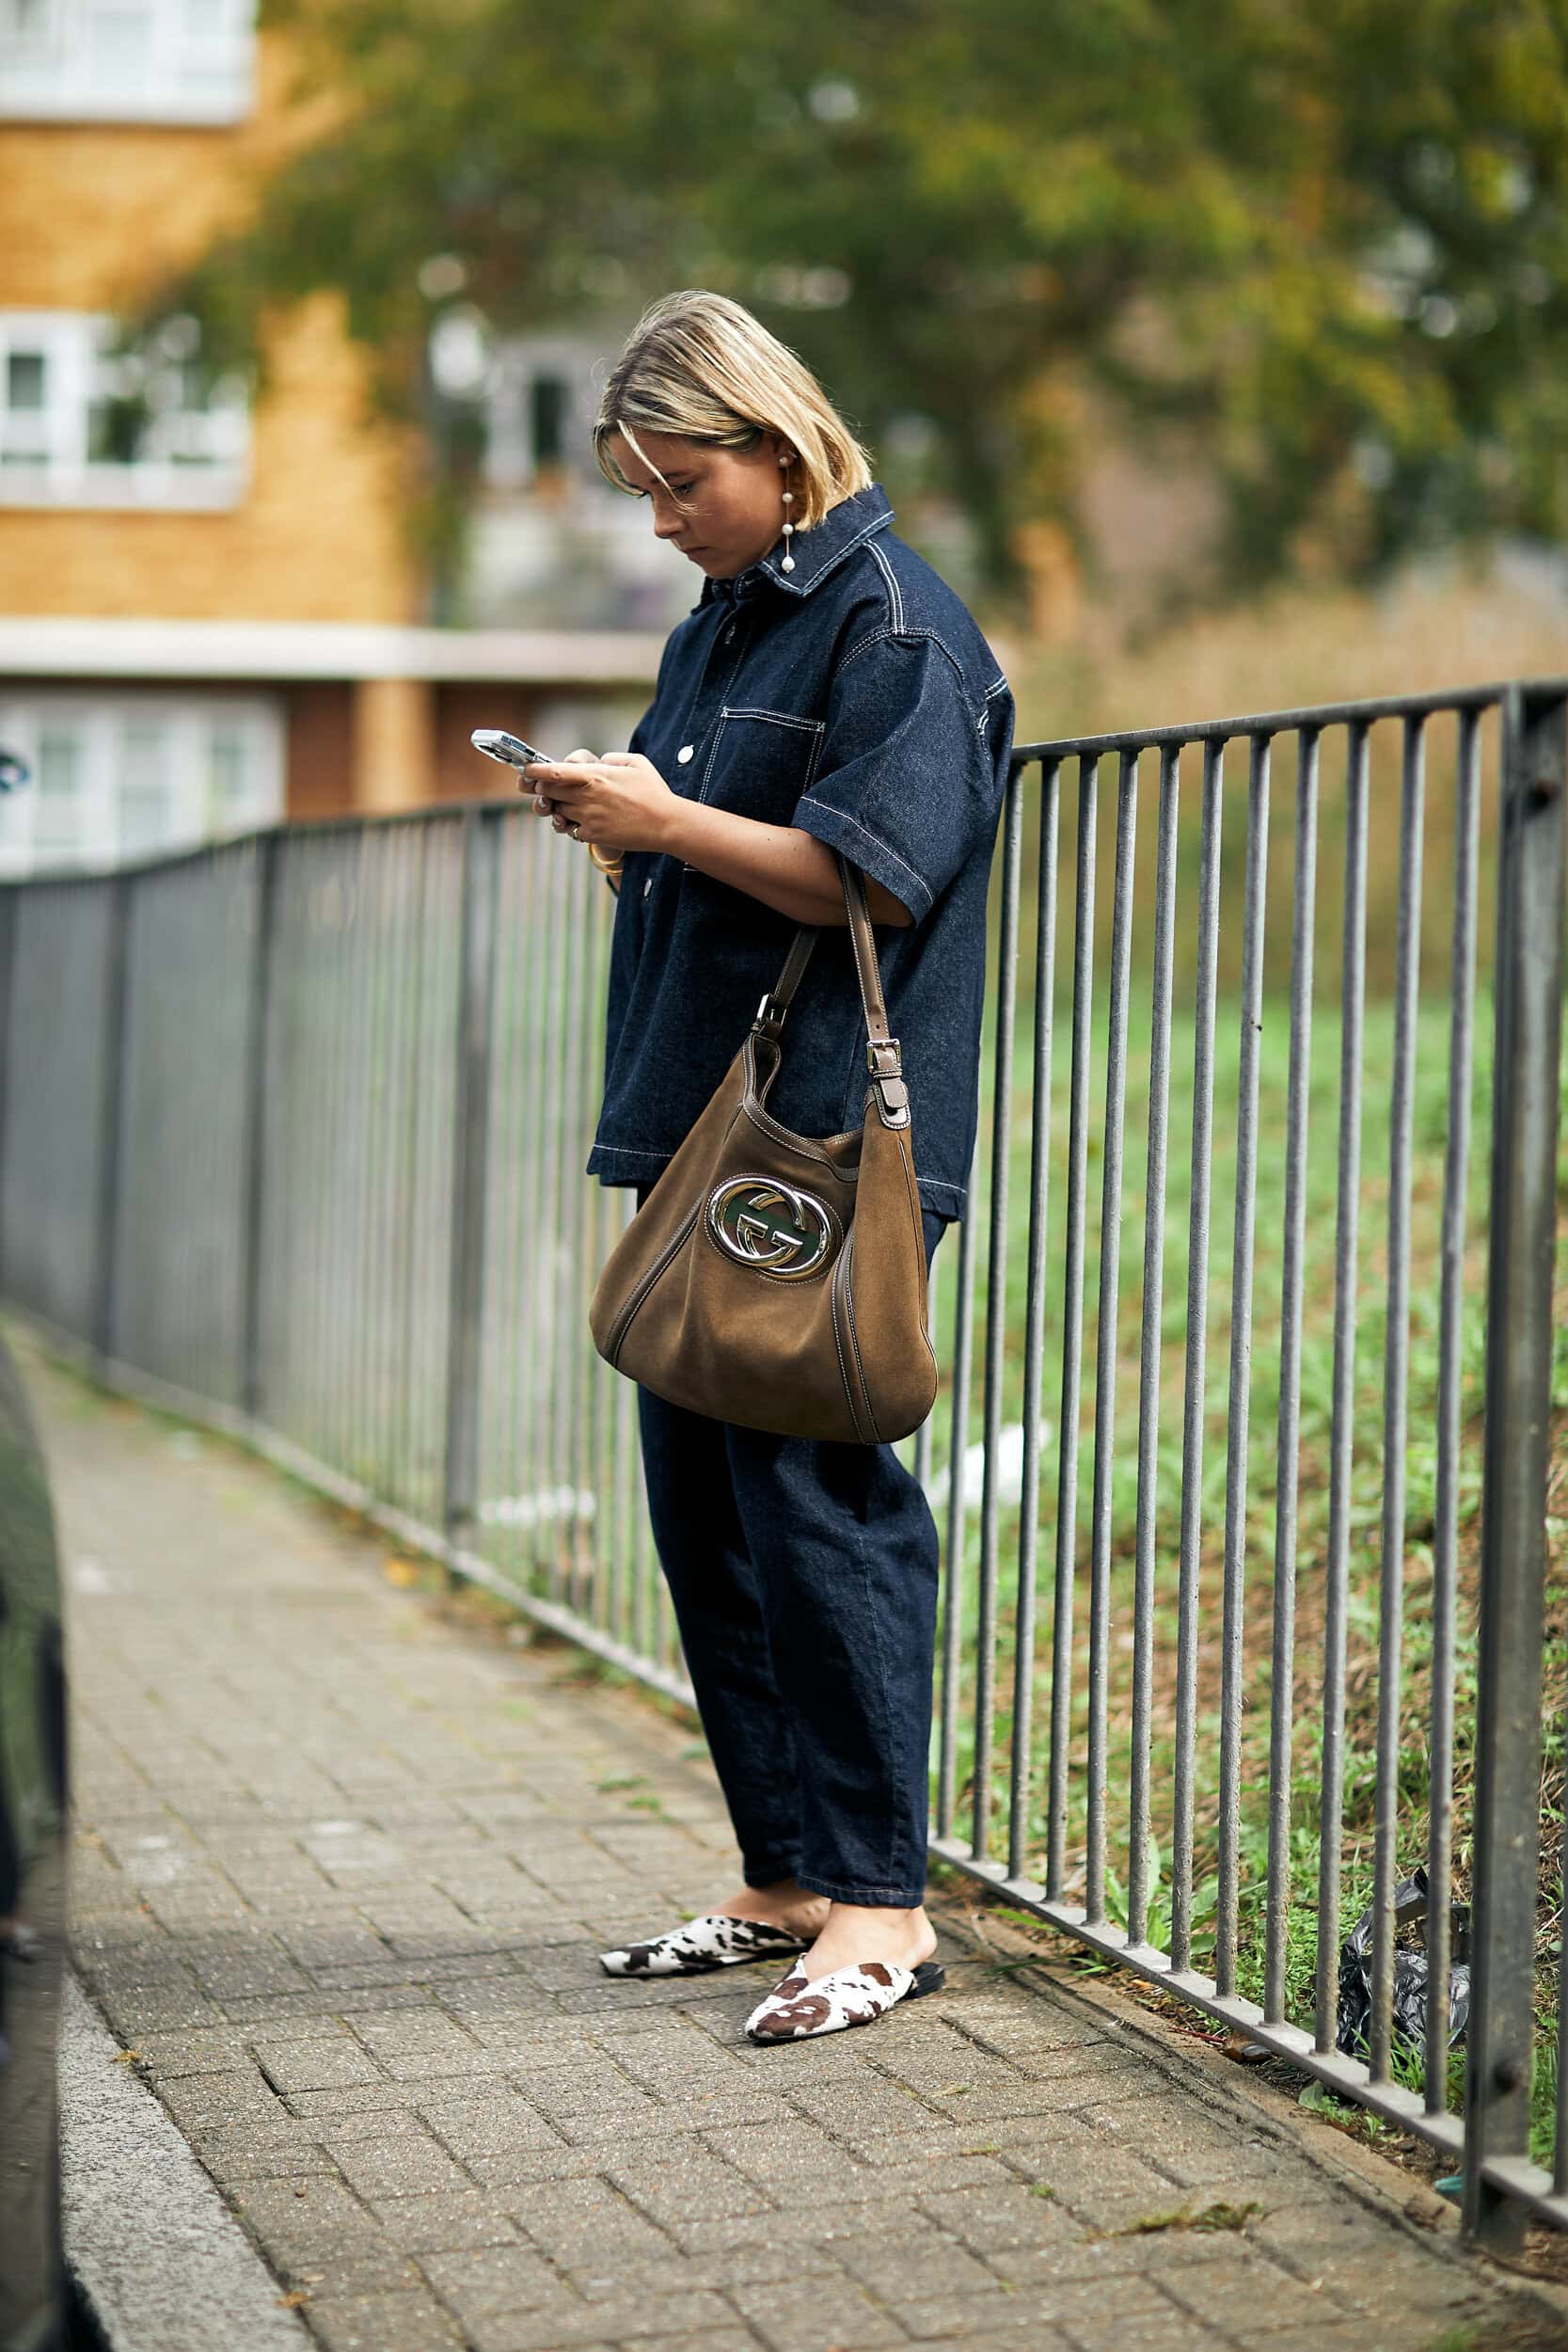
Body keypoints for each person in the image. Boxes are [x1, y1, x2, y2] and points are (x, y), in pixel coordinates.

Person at [520, 289, 1014, 2042]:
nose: (662, 520)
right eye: (642, 490)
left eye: (682, 483)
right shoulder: (726, 624)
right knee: (708, 1511)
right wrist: (627, 826)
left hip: (821, 1138)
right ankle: (788, 1875)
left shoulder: (895, 626)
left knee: (818, 1505)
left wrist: (668, 819)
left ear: (779, 447)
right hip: (707, 1127)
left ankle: (883, 1907)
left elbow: (876, 878)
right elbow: (735, 851)